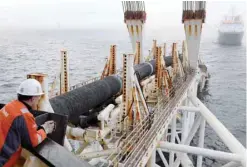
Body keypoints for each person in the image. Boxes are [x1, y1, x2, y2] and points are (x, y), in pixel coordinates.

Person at [0, 78, 55, 167]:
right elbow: (33, 141)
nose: (39, 99)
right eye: (39, 97)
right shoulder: (24, 115)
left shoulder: (9, 106)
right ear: (33, 98)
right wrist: (45, 129)